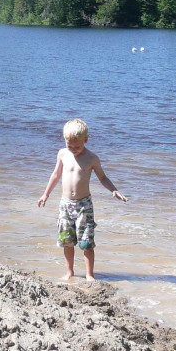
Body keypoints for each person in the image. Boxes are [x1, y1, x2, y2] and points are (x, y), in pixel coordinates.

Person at [37, 119, 128, 281]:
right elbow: (56, 175)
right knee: (66, 240)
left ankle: (89, 275)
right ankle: (69, 272)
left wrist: (114, 190)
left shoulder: (92, 158)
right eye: (69, 145)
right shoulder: (63, 154)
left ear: (86, 140)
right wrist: (46, 194)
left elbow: (102, 177)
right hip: (65, 204)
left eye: (77, 146)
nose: (73, 149)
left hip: (84, 205)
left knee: (86, 241)